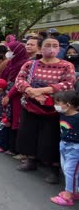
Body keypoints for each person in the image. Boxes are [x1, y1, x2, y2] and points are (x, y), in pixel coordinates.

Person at [15, 38, 75, 184]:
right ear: (41, 48)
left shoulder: (67, 66)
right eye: (47, 45)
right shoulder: (30, 64)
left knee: (51, 139)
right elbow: (20, 80)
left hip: (54, 109)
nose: (51, 48)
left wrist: (43, 91)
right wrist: (31, 91)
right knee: (29, 134)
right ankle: (31, 160)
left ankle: (54, 169)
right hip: (31, 105)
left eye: (55, 46)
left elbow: (68, 84)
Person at [50, 91, 79, 206]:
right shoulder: (63, 114)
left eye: (58, 103)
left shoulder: (77, 117)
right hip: (64, 144)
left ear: (69, 104)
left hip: (75, 148)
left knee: (70, 171)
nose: (56, 105)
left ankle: (68, 196)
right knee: (67, 170)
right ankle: (74, 191)